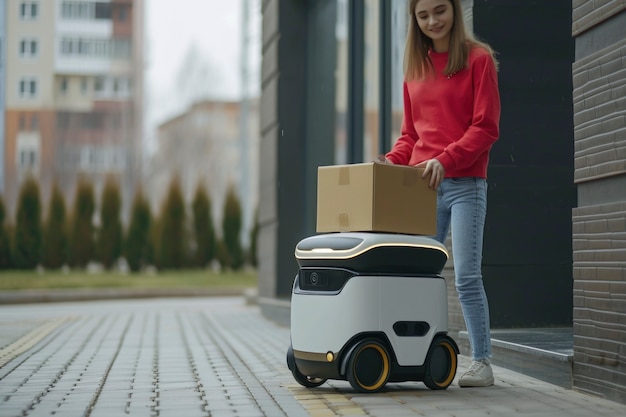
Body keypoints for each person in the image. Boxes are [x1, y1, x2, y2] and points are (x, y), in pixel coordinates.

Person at [379, 0, 500, 387]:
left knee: (464, 275)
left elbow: (486, 128)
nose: (433, 21)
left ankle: (482, 361)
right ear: (414, 19)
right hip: (421, 189)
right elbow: (412, 136)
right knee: (416, 274)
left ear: (455, 10)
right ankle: (412, 352)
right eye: (423, 14)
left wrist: (446, 160)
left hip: (465, 184)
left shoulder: (479, 60)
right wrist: (389, 163)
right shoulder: (414, 68)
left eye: (440, 10)